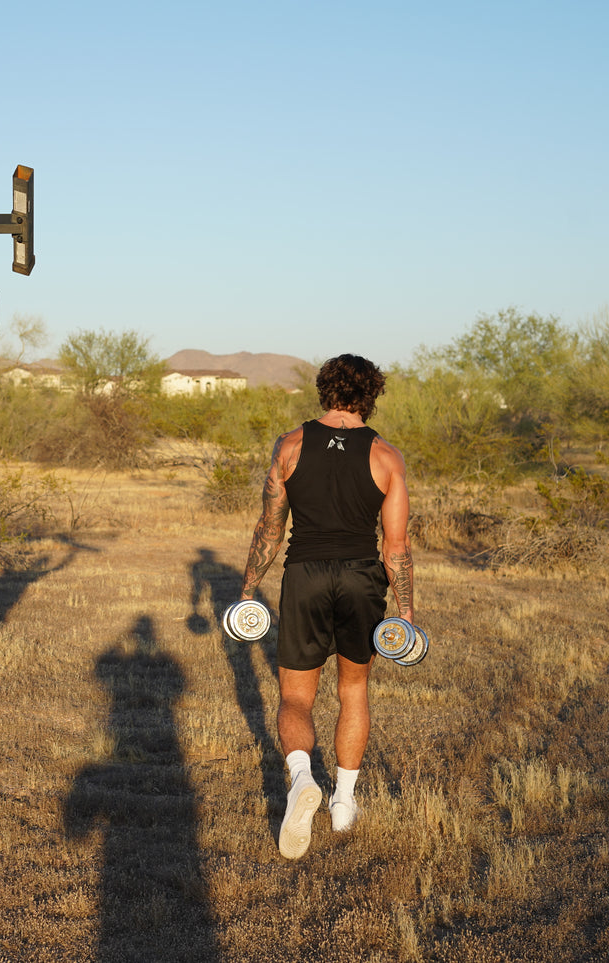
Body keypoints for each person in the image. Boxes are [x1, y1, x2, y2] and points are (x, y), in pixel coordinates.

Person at [236, 354, 414, 860]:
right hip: (362, 579)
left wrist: (249, 591)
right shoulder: (386, 456)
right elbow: (395, 547)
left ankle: (300, 778)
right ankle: (343, 803)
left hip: (306, 575)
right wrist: (405, 614)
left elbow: (269, 529)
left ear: (323, 391)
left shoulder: (290, 445)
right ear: (371, 395)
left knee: (295, 695)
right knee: (353, 687)